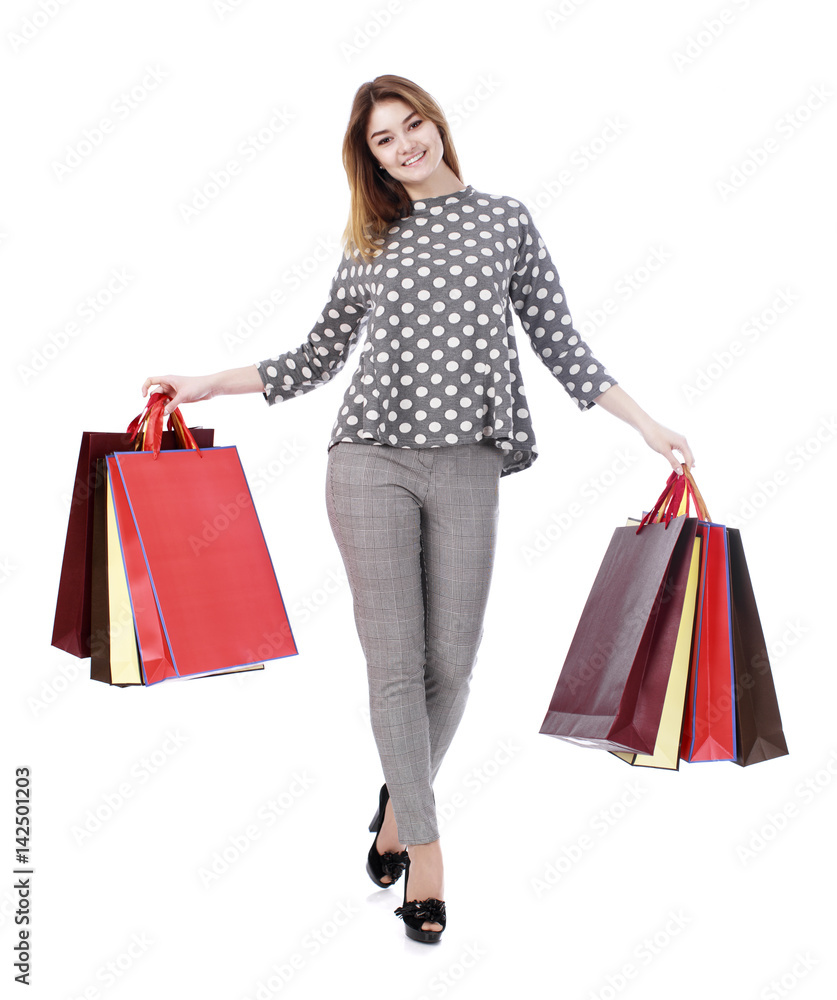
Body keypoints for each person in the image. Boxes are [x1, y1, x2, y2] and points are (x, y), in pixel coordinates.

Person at [142, 74, 694, 944]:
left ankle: (398, 802)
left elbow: (559, 338)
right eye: (383, 140)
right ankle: (426, 857)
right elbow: (315, 357)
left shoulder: (504, 219)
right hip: (368, 460)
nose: (405, 146)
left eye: (411, 126)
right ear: (370, 159)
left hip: (468, 460)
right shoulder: (370, 236)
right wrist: (211, 380)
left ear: (436, 123)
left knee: (454, 663)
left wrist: (647, 425)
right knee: (396, 665)